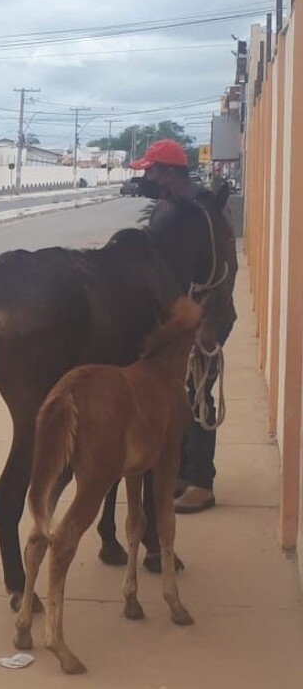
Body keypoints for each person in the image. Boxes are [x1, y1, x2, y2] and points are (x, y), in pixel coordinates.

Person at [129, 139, 237, 514]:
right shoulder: (181, 205)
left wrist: (207, 325)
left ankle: (201, 483)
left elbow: (223, 271)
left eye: (151, 170)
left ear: (170, 173)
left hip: (206, 317)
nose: (146, 177)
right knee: (181, 394)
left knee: (197, 395)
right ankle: (182, 471)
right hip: (188, 316)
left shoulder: (200, 212)